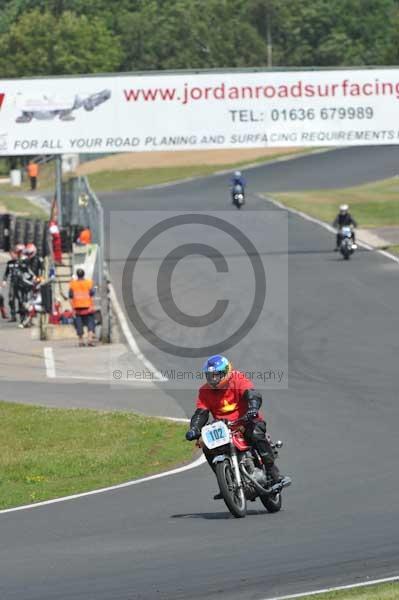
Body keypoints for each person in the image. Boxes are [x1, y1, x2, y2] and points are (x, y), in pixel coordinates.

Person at [185, 355, 288, 499]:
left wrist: (253, 408)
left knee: (257, 435)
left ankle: (273, 472)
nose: (213, 380)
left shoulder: (237, 378)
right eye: (210, 376)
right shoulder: (204, 390)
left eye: (216, 375)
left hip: (247, 421)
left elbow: (252, 393)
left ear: (226, 372)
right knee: (206, 445)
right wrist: (194, 428)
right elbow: (201, 412)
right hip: (224, 427)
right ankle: (225, 482)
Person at [68, 268, 96, 347]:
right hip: (88, 307)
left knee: (79, 324)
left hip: (77, 308)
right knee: (90, 323)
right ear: (84, 274)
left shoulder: (72, 284)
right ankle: (90, 340)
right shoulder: (89, 283)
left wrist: (72, 308)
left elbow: (70, 298)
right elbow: (92, 294)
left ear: (77, 275)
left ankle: (81, 341)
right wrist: (91, 305)